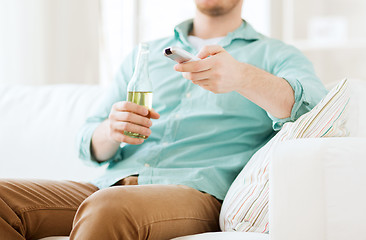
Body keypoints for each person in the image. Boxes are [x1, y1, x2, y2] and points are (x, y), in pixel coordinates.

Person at [0, 0, 328, 239]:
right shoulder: (146, 53)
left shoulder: (275, 55)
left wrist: (242, 77)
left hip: (194, 193)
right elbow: (89, 142)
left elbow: (311, 109)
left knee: (108, 208)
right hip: (110, 184)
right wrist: (110, 131)